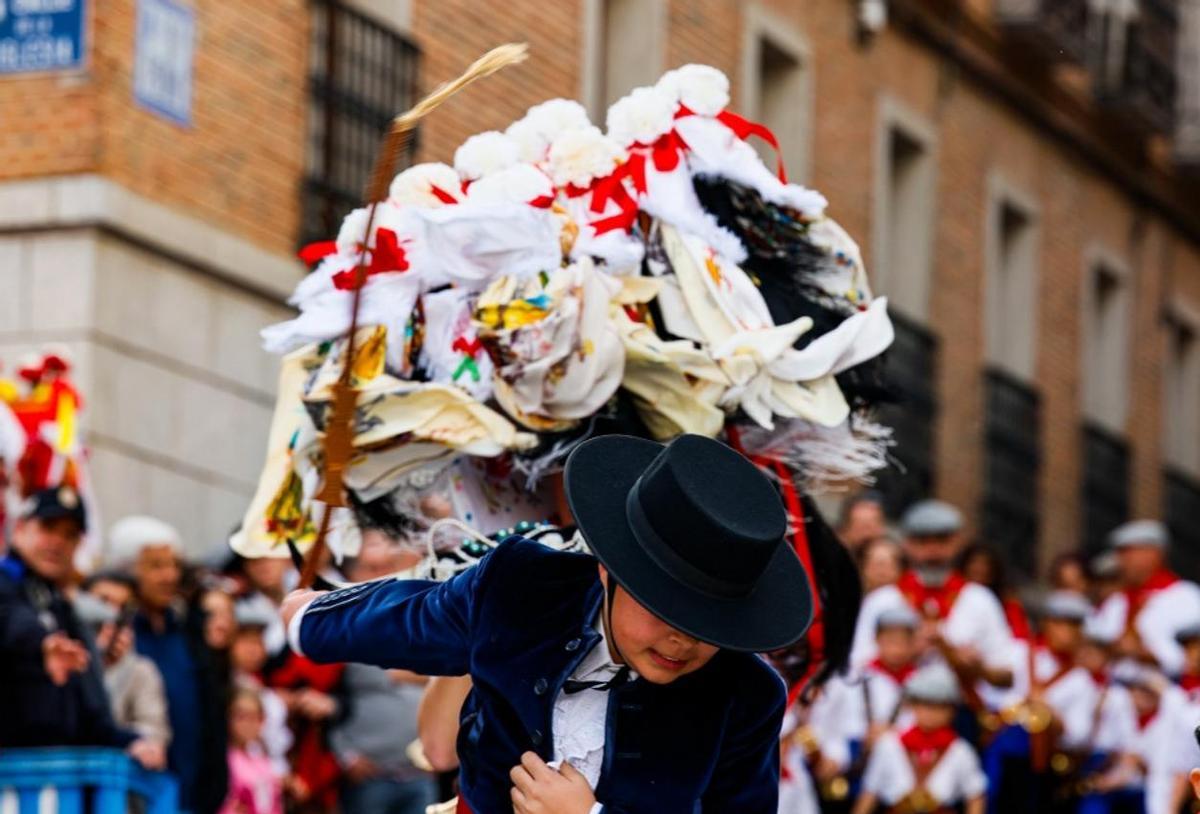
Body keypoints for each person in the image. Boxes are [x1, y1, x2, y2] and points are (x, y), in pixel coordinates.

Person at [283, 434, 815, 812]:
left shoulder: (748, 696)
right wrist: (310, 618)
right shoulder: (523, 586)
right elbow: (415, 618)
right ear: (611, 567)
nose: (684, 639)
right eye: (665, 609)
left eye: (710, 626)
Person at [0, 488, 163, 768]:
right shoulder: (7, 586)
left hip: (58, 789)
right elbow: (12, 619)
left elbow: (92, 716)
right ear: (21, 529)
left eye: (70, 535)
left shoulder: (64, 611)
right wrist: (41, 645)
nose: (58, 543)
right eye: (48, 528)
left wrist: (132, 742)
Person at [108, 514, 229, 814]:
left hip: (193, 792)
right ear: (127, 570)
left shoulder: (187, 628)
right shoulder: (116, 634)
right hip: (137, 791)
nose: (169, 576)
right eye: (156, 566)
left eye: (174, 565)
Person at [850, 500, 1014, 705]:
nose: (933, 550)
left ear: (957, 541)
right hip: (893, 712)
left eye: (942, 540)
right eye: (923, 541)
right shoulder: (883, 601)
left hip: (960, 713)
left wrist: (975, 667)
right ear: (907, 544)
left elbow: (1007, 677)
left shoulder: (980, 600)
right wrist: (903, 652)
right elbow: (856, 668)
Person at [330, 534, 437, 814]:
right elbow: (330, 700)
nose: (383, 575)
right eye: (372, 568)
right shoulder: (343, 624)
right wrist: (347, 756)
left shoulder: (416, 614)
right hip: (369, 774)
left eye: (388, 566)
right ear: (349, 574)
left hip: (420, 772)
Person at [982, 591, 1099, 810]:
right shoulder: (1019, 653)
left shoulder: (1081, 681)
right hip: (1005, 750)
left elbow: (1078, 736)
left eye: (1074, 626)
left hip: (1044, 761)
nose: (1067, 633)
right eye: (1060, 624)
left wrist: (1050, 712)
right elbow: (993, 689)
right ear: (1047, 624)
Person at [851, 664, 986, 814]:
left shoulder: (960, 750)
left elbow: (975, 796)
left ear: (952, 711)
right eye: (924, 704)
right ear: (911, 705)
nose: (931, 713)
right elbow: (870, 793)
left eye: (940, 706)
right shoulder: (889, 744)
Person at [1091, 520, 1200, 675]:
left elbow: (1191, 660)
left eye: (1127, 553)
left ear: (1153, 554)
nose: (1120, 561)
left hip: (1169, 692)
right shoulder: (1116, 602)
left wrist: (1142, 653)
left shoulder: (1186, 597)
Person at [79, 571, 172, 749]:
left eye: (122, 607)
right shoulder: (59, 652)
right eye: (103, 601)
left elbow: (154, 731)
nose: (111, 614)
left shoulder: (141, 670)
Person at [220, 686, 285, 814]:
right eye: (241, 716)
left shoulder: (263, 759)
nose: (247, 724)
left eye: (254, 717)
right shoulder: (223, 761)